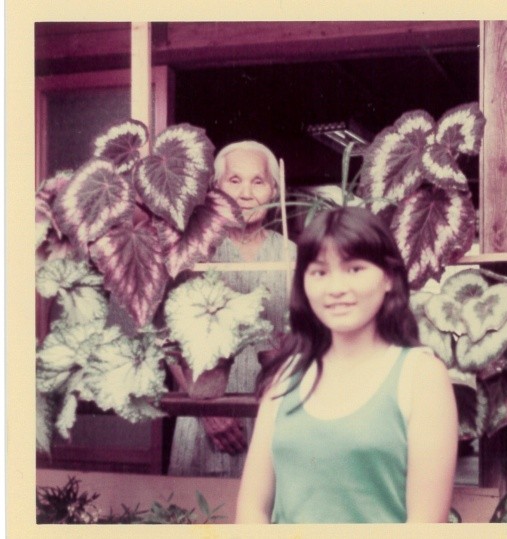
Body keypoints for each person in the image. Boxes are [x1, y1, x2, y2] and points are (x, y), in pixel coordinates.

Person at [235, 207, 458, 523]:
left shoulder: (421, 376)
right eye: (320, 272)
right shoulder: (285, 375)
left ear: (389, 277)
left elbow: (426, 524)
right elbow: (251, 510)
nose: (336, 288)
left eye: (354, 269)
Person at [168, 140, 296, 477]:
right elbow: (167, 342)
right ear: (216, 189)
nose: (246, 193)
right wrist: (207, 410)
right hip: (204, 416)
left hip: (275, 418)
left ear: (274, 191)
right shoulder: (195, 251)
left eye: (258, 182)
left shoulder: (293, 256)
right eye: (234, 180)